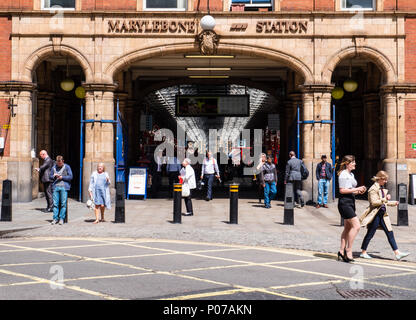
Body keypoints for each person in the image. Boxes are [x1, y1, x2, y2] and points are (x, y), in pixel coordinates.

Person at [359, 171, 410, 261]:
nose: (386, 182)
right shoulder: (373, 189)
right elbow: (374, 203)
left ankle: (397, 253)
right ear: (380, 179)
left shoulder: (381, 187)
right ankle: (363, 252)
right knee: (370, 233)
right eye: (385, 180)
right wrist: (385, 199)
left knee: (390, 232)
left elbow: (383, 202)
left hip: (382, 214)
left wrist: (393, 203)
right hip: (375, 215)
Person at [336, 155, 366, 263]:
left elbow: (350, 189)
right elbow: (342, 190)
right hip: (344, 203)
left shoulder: (351, 174)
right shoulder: (343, 174)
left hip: (351, 202)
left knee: (348, 228)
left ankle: (341, 251)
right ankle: (349, 250)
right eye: (353, 162)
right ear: (347, 163)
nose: (355, 164)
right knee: (356, 226)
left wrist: (358, 191)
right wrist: (356, 188)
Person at [49, 155, 73, 225]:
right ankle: (55, 219)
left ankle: (61, 218)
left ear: (63, 161)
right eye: (57, 163)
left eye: (60, 163)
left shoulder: (67, 167)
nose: (59, 165)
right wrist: (54, 176)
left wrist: (62, 177)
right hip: (55, 187)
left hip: (64, 187)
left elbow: (71, 176)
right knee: (55, 204)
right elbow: (50, 176)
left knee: (63, 204)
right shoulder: (54, 167)